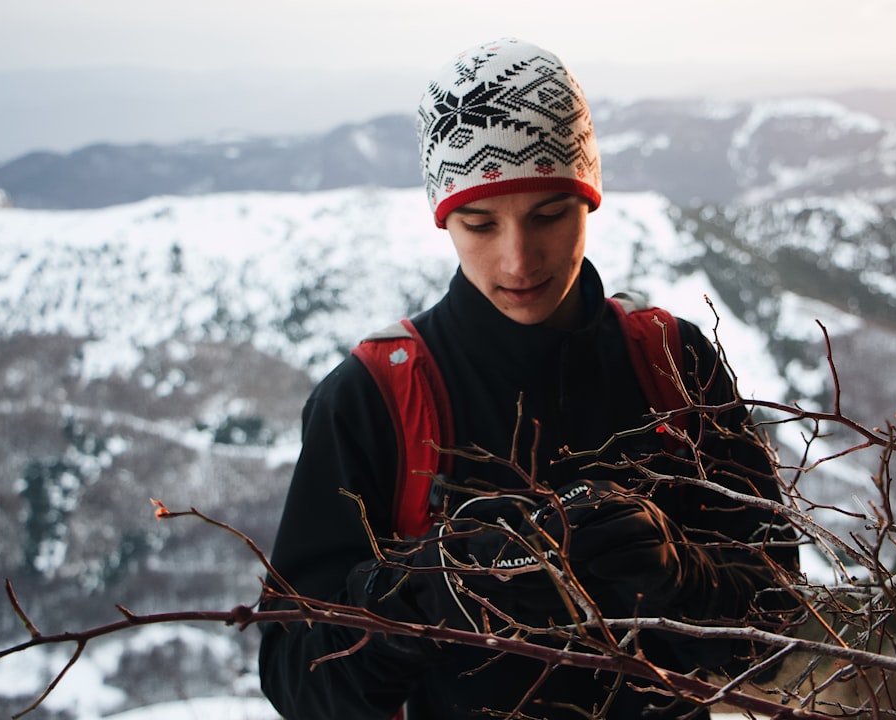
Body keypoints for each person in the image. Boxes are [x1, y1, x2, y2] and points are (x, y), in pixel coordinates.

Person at [258, 37, 798, 719]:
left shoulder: (671, 363)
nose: (518, 260)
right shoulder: (373, 399)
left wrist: (680, 576)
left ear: (589, 199)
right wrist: (433, 591)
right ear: (445, 221)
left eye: (548, 214)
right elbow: (294, 678)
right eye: (480, 224)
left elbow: (779, 620)